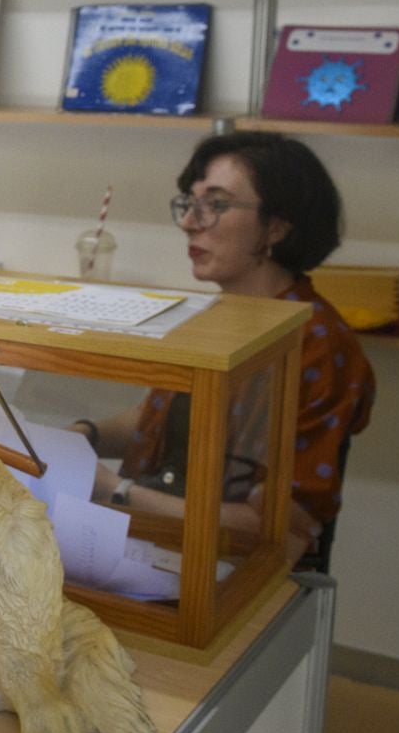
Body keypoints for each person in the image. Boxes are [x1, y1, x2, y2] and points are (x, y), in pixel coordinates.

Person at [72, 131, 375, 563]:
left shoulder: (317, 342)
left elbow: (280, 527)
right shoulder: (213, 312)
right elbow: (161, 417)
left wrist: (115, 490)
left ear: (278, 225)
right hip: (155, 545)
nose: (189, 222)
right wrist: (85, 437)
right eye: (189, 203)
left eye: (215, 204)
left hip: (232, 568)